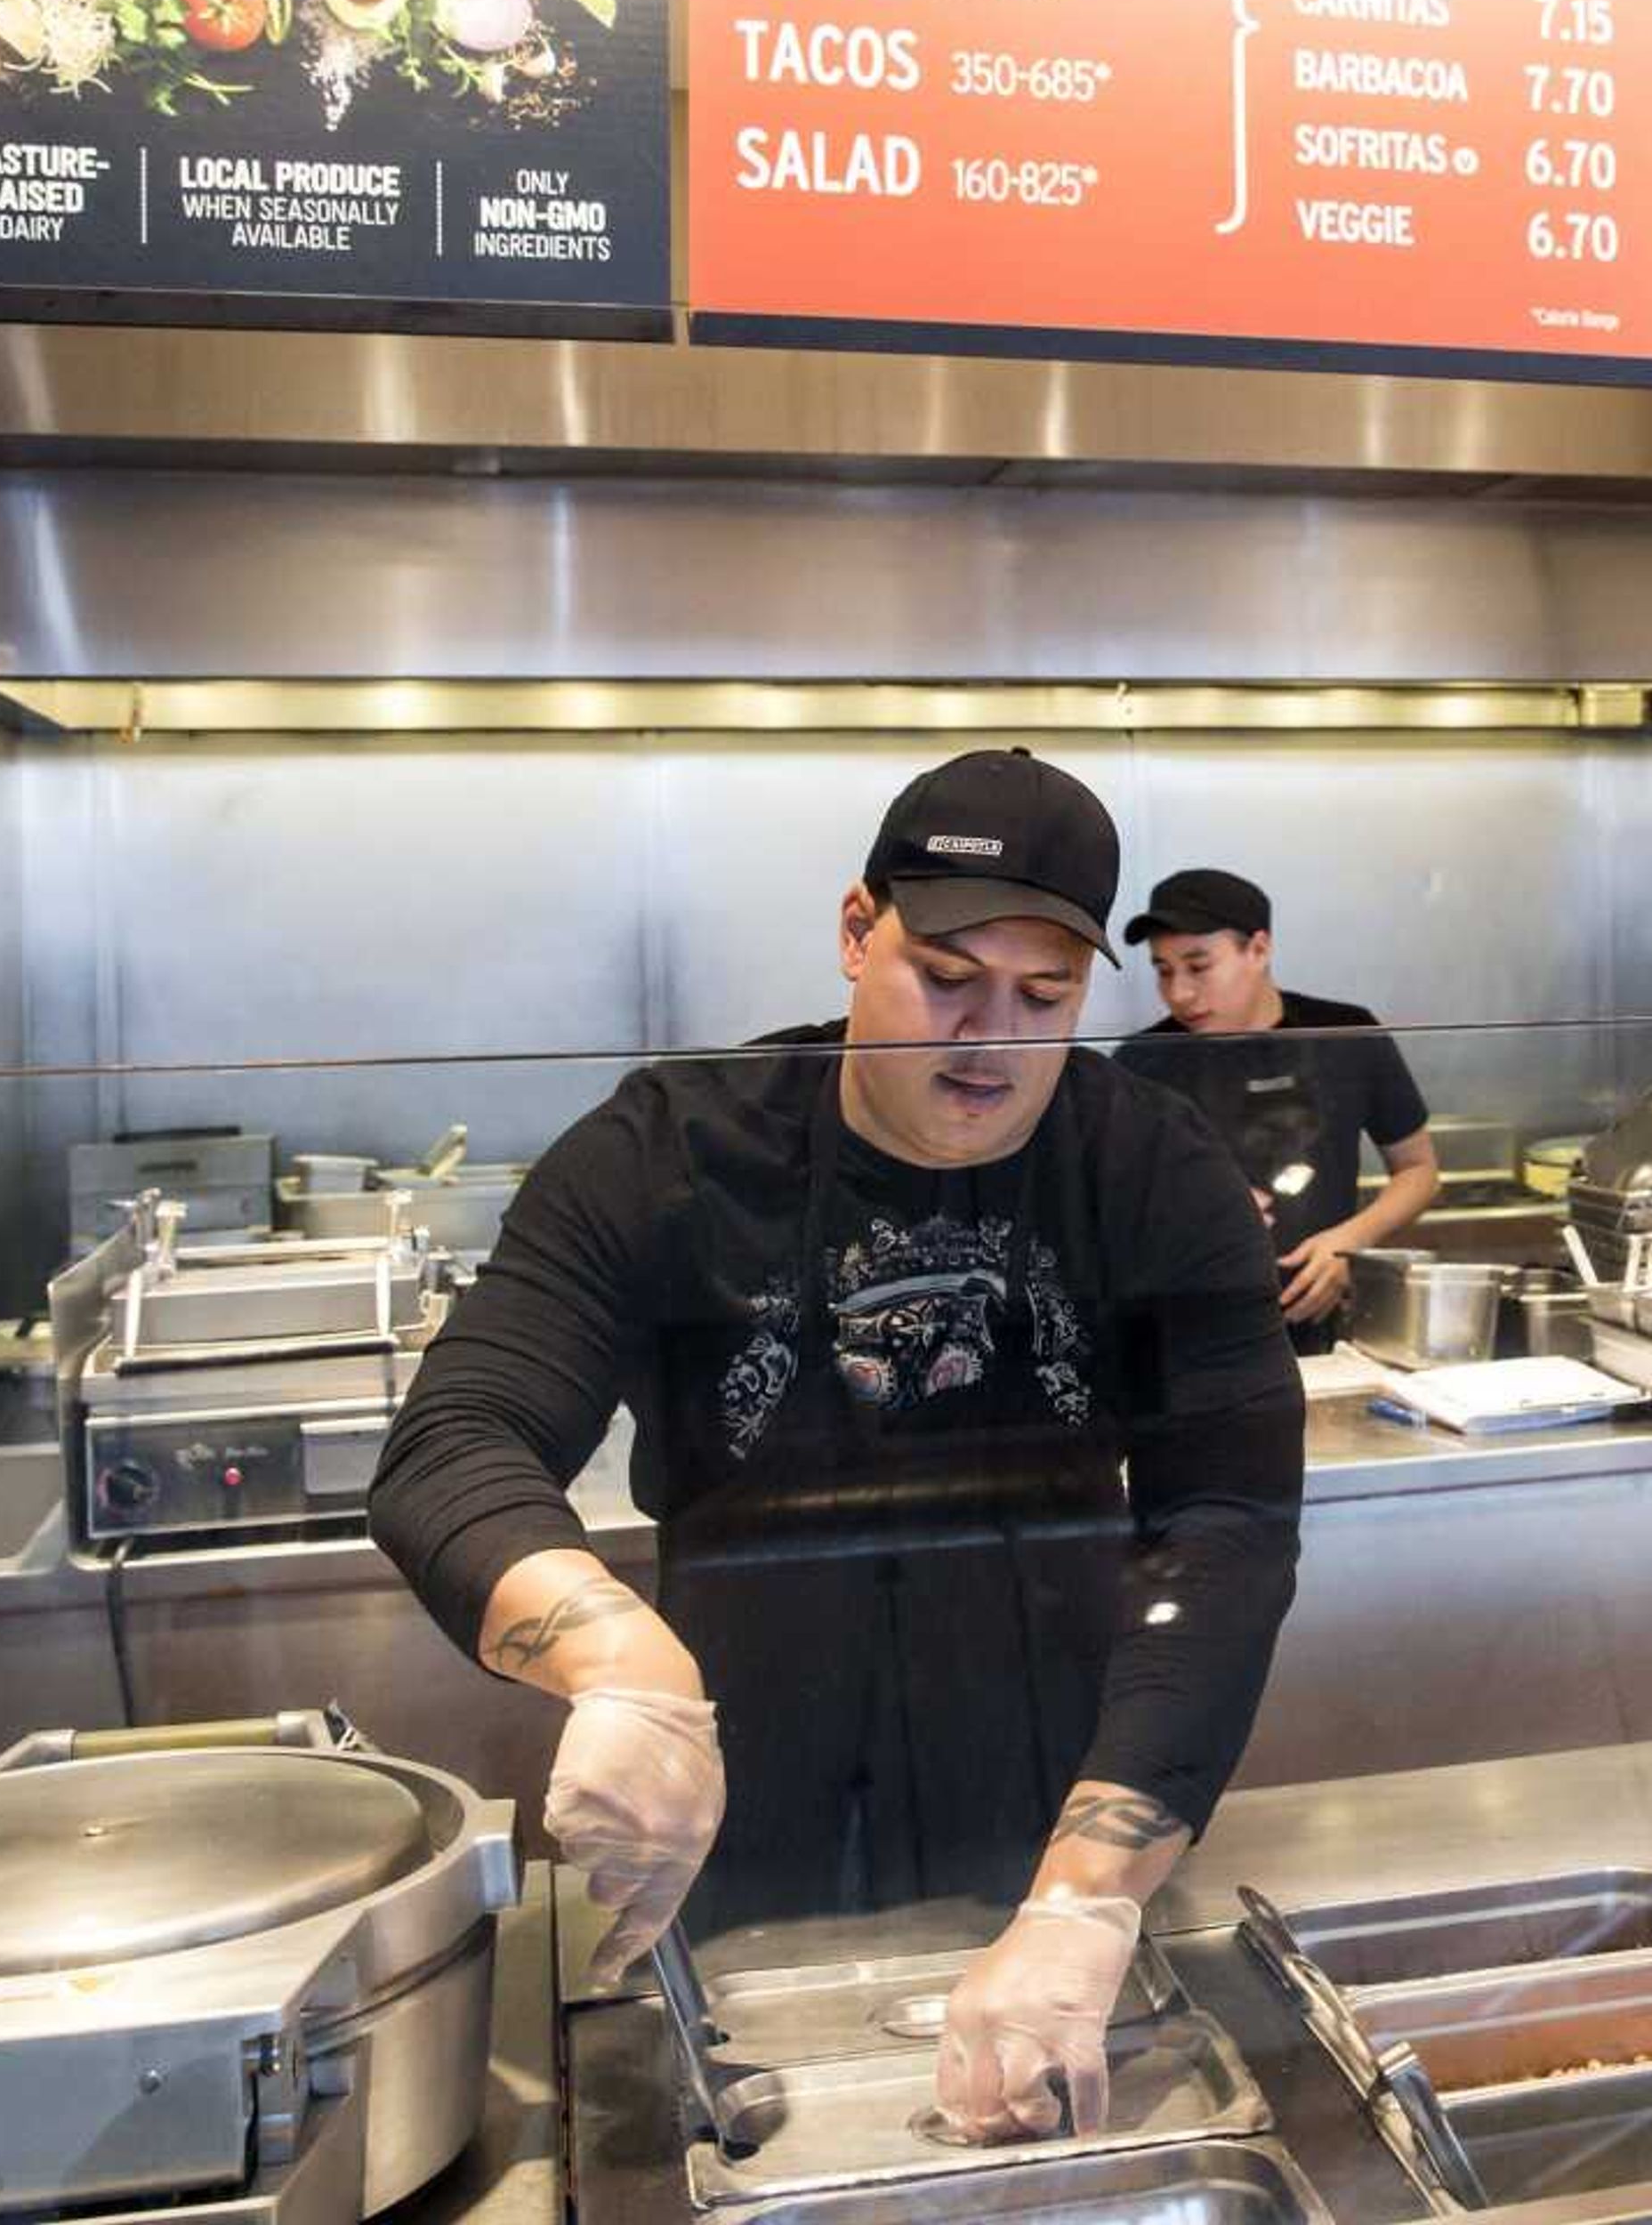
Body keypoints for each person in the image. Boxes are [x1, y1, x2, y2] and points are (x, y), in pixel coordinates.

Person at [370, 752, 1304, 2144]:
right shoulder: (671, 1148)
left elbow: (1224, 1517)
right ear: (858, 929)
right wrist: (615, 1666)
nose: (987, 1037)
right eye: (944, 974)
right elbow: (458, 1436)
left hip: (1064, 1779)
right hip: (736, 1779)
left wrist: (1091, 1891)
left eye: (1042, 997)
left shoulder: (1146, 1163)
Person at [1116, 869, 1439, 1352]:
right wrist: (1195, 1211)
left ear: (1259, 949)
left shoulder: (1343, 1035)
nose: (1179, 993)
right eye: (1164, 970)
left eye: (1198, 966)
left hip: (1327, 1328)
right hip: (1188, 1332)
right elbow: (1109, 1206)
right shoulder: (1143, 1062)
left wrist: (1348, 1243)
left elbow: (1419, 1170)